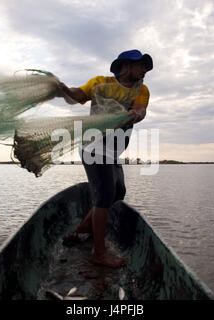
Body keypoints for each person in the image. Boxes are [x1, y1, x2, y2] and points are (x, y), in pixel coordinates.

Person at [57, 50, 153, 268]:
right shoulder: (100, 84)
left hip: (112, 151)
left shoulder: (142, 89)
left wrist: (137, 113)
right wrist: (63, 90)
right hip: (93, 147)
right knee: (105, 195)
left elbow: (141, 108)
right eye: (141, 65)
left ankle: (83, 228)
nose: (145, 70)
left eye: (146, 67)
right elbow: (78, 95)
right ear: (126, 65)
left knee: (118, 192)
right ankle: (98, 253)